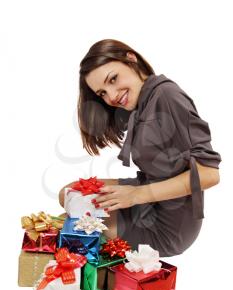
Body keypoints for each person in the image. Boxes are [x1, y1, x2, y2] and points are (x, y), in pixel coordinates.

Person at [59, 39, 222, 257]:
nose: (112, 96)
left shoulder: (166, 96)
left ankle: (88, 249)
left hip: (167, 224)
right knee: (71, 192)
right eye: (102, 93)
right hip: (149, 196)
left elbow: (209, 174)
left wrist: (136, 195)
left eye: (113, 79)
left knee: (78, 212)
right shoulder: (143, 101)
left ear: (131, 58)